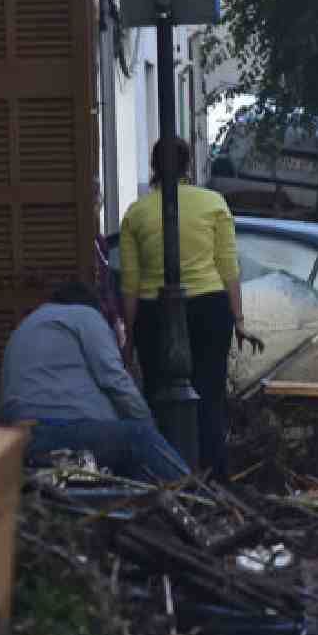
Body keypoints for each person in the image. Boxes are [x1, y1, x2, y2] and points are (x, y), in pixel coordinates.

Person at [120, 137, 250, 479]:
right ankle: (212, 476)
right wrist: (238, 319)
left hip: (154, 313)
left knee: (158, 395)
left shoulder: (137, 213)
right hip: (210, 307)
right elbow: (228, 266)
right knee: (209, 395)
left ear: (152, 168)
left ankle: (165, 474)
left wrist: (130, 337)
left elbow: (130, 283)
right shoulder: (213, 204)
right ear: (187, 165)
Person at [0, 282, 189, 481]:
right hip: (52, 430)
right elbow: (115, 380)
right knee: (139, 437)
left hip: (18, 438)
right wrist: (149, 427)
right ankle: (194, 500)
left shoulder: (30, 322)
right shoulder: (85, 315)